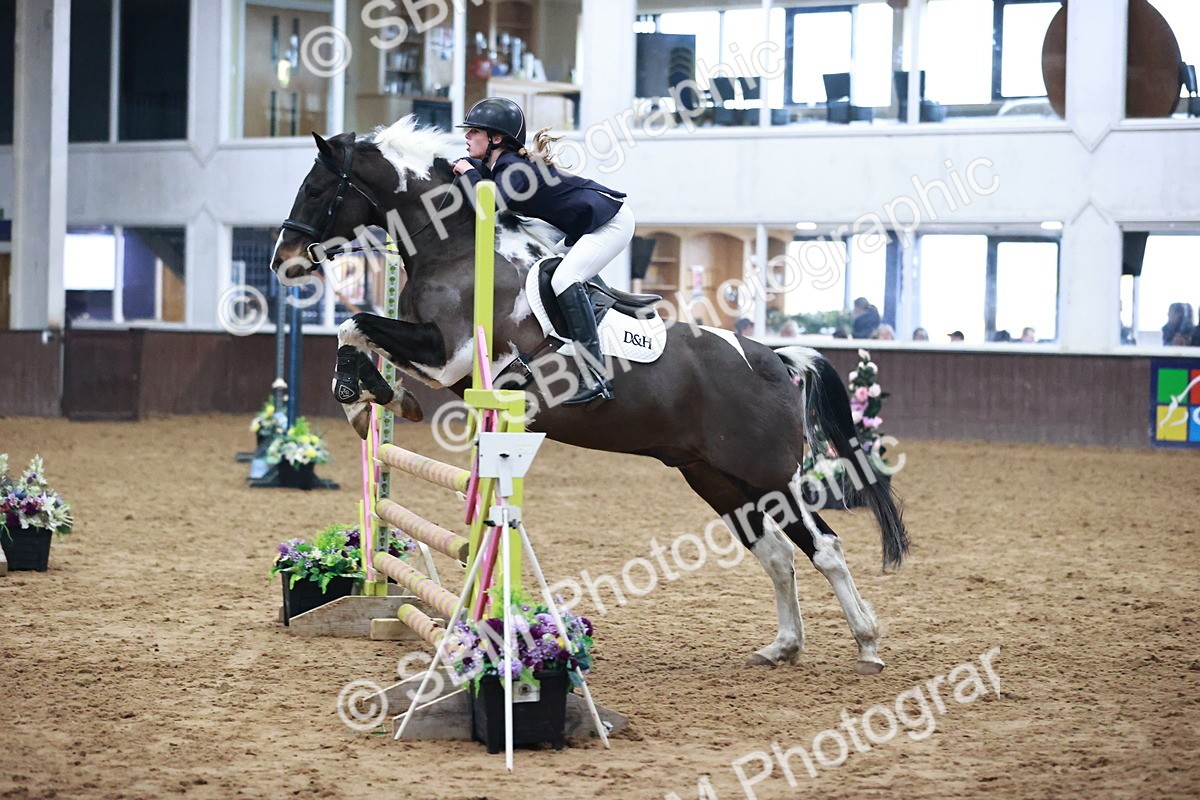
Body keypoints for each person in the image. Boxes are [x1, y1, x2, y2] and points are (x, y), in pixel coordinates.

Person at [452, 97, 633, 405]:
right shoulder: (499, 165)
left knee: (564, 280)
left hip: (611, 223)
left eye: (473, 132)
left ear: (496, 138)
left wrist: (468, 172)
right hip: (578, 226)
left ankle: (598, 376)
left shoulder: (513, 167)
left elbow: (489, 205)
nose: (466, 137)